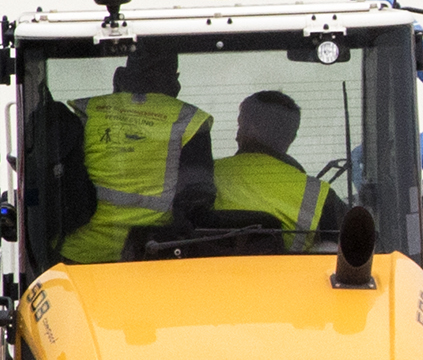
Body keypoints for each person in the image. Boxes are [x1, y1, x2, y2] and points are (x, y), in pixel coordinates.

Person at [62, 40, 214, 260]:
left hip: (80, 255)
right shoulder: (189, 120)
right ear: (175, 83)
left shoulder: (88, 112)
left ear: (120, 76)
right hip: (152, 254)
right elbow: (197, 202)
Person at [220, 86, 323, 237]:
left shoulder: (202, 181)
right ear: (291, 137)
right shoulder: (317, 194)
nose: (237, 135)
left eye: (240, 126)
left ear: (249, 129)